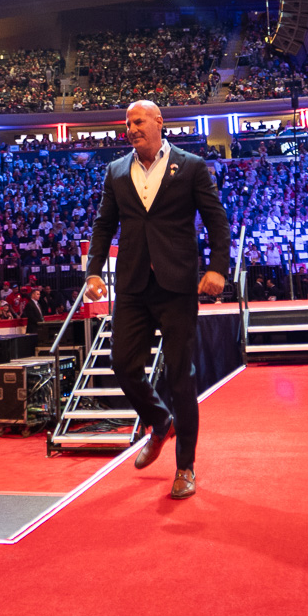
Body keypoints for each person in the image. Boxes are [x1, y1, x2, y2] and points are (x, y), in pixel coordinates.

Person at [85, 99, 231, 501]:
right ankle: (159, 419)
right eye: (127, 123)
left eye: (138, 121)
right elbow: (103, 225)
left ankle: (185, 467)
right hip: (133, 286)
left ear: (159, 122)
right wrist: (93, 271)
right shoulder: (116, 171)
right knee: (122, 364)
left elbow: (216, 220)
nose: (131, 128)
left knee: (181, 377)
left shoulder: (192, 166)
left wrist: (218, 268)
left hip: (177, 285)